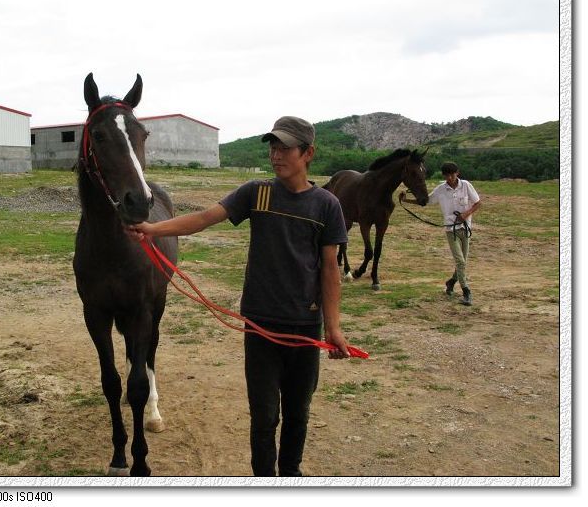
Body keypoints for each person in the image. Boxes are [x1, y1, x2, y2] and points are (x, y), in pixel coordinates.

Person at [126, 116, 352, 476]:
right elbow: (203, 218)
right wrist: (154, 229)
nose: (276, 155)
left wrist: (334, 328)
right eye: (272, 147)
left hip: (305, 327)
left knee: (298, 413)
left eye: (285, 148)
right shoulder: (256, 193)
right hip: (260, 325)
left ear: (308, 153)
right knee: (264, 417)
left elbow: (330, 270)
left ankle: (291, 476)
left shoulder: (326, 205)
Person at [400, 161, 481, 306]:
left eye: (452, 174)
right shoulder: (441, 190)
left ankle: (451, 282)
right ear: (444, 176)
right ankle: (466, 291)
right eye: (447, 175)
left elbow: (478, 203)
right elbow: (425, 201)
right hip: (451, 231)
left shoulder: (466, 185)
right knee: (460, 261)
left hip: (466, 228)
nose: (450, 178)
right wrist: (407, 200)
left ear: (457, 173)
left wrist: (465, 214)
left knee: (462, 262)